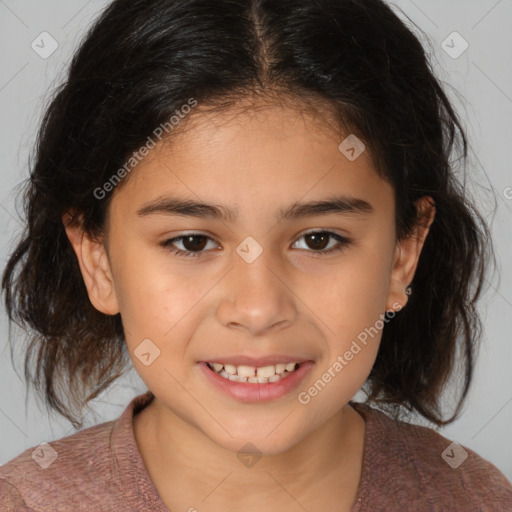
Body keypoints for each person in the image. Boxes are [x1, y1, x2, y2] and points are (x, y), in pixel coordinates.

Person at [1, 0, 511, 510]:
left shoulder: (475, 498)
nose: (258, 308)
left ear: (404, 253)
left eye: (319, 240)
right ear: (97, 259)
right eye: (192, 241)